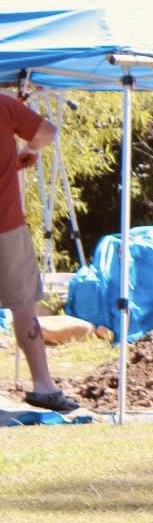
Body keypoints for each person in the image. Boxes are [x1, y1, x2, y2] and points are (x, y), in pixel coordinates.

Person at [0, 93, 74, 413]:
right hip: (6, 224)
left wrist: (14, 160)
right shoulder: (4, 105)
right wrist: (26, 150)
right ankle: (43, 385)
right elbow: (47, 133)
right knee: (23, 305)